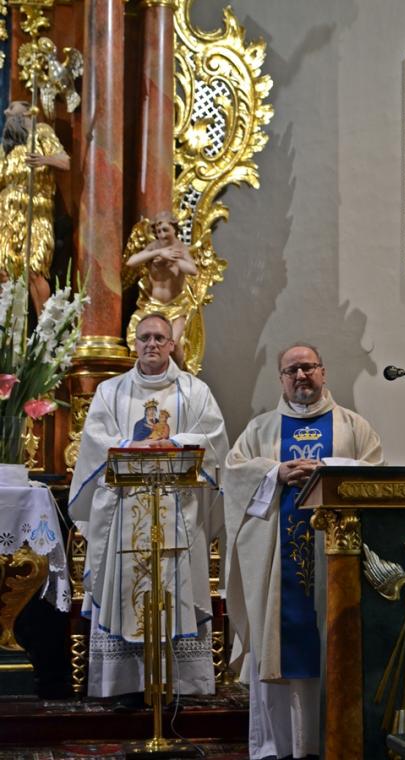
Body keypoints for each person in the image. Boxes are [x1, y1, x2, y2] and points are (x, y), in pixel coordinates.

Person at [223, 343, 384, 760]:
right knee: (282, 642)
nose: (300, 376)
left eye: (308, 367)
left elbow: (377, 477)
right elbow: (233, 475)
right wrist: (275, 473)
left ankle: (335, 741)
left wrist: (328, 470)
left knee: (334, 641)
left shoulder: (353, 427)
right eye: (291, 370)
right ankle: (279, 747)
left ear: (323, 372)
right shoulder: (261, 430)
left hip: (337, 563)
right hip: (279, 572)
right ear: (281, 378)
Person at [69, 313, 228, 706]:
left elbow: (213, 438)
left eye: (159, 338)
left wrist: (174, 442)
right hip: (123, 511)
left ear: (172, 344)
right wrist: (130, 445)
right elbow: (95, 441)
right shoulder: (110, 391)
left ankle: (178, 684)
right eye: (144, 338)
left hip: (178, 513)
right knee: (125, 590)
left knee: (176, 589)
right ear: (134, 344)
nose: (152, 344)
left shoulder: (195, 391)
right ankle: (124, 684)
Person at [0, 100, 70, 315]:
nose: (6, 112)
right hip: (6, 213)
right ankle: (7, 328)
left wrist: (43, 160)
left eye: (11, 109)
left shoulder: (42, 131)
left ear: (27, 112)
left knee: (33, 269)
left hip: (36, 209)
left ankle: (45, 328)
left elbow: (65, 162)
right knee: (3, 271)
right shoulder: (7, 146)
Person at [126, 211, 198, 367]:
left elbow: (193, 270)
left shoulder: (180, 248)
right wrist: (158, 252)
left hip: (176, 306)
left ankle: (179, 375)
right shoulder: (153, 247)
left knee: (173, 344)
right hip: (152, 306)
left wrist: (174, 259)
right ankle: (144, 374)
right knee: (138, 338)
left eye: (166, 230)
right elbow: (131, 262)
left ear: (174, 229)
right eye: (158, 231)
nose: (162, 234)